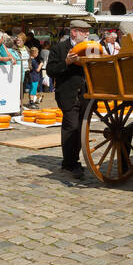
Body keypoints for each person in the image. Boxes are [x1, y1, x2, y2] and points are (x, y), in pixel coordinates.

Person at [45, 18, 91, 177]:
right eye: (84, 31)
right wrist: (67, 62)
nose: (87, 34)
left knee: (80, 129)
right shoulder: (59, 48)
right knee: (71, 127)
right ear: (74, 32)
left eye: (87, 31)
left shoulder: (91, 48)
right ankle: (70, 163)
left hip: (85, 95)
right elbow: (50, 70)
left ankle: (72, 161)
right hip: (67, 94)